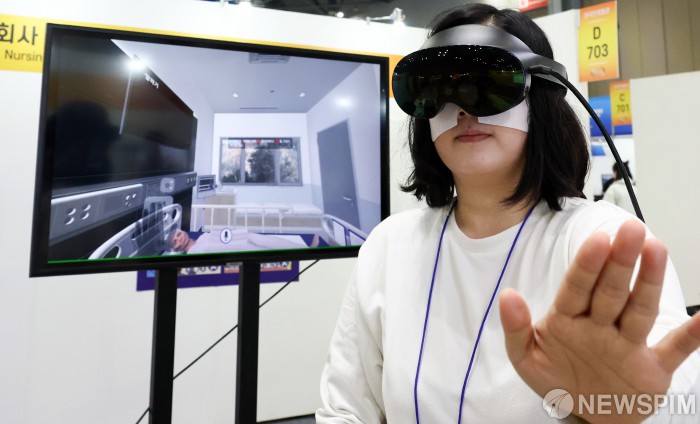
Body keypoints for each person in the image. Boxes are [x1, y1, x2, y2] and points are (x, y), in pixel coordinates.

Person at [316, 4, 700, 423]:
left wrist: (626, 409)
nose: (462, 109)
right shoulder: (391, 245)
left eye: (487, 82)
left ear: (541, 96)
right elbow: (345, 410)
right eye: (438, 87)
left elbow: (674, 396)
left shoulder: (602, 240)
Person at [169, 229, 317, 254]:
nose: (179, 238)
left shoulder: (201, 237)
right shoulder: (194, 253)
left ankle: (306, 249)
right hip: (239, 248)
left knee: (268, 240)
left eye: (178, 234)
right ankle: (307, 252)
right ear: (175, 249)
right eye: (175, 242)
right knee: (267, 249)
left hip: (239, 238)